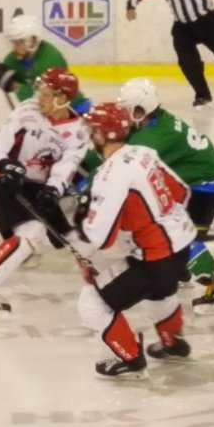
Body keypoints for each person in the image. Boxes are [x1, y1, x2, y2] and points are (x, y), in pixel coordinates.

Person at [76, 102, 197, 378]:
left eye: (93, 129)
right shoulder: (144, 153)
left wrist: (86, 215)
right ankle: (172, 342)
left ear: (103, 134)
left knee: (92, 303)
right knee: (160, 293)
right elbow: (181, 192)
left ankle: (130, 357)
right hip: (182, 245)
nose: (89, 134)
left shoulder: (109, 176)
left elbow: (101, 237)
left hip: (155, 255)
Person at [0, 68, 88, 318]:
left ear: (62, 99)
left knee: (72, 237)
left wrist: (53, 190)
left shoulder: (78, 131)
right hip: (9, 184)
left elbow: (66, 167)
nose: (38, 97)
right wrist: (6, 165)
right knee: (32, 233)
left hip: (41, 189)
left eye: (46, 94)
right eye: (40, 91)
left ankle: (109, 283)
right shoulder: (27, 111)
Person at [115, 78, 214, 315]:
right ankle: (181, 271)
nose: (125, 115)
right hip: (198, 182)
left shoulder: (154, 137)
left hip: (206, 187)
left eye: (129, 110)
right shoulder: (154, 123)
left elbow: (125, 164)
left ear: (142, 109)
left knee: (181, 236)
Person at [0, 14, 90, 113]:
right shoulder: (13, 58)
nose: (15, 47)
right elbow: (5, 76)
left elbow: (38, 98)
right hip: (46, 113)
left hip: (72, 110)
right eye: (14, 42)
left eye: (20, 42)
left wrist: (13, 85)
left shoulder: (50, 60)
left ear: (34, 40)